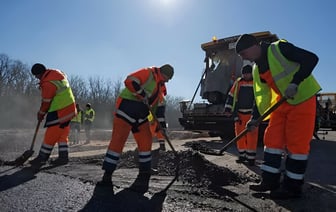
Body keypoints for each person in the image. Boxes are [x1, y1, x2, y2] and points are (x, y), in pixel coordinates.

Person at [235, 34, 321, 199]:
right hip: (281, 104)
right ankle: (269, 181)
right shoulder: (256, 68)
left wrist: (295, 82)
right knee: (272, 141)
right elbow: (262, 96)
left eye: (244, 54)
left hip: (302, 100)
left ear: (254, 46)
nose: (244, 58)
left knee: (296, 146)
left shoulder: (279, 49)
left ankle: (292, 188)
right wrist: (255, 118)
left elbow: (311, 58)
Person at [97, 64, 174, 193]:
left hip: (141, 116)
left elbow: (159, 113)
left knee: (146, 141)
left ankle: (145, 171)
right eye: (168, 78)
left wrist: (162, 127)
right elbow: (129, 81)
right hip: (126, 110)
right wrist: (141, 94)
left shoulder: (160, 91)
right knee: (118, 141)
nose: (168, 81)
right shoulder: (148, 73)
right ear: (163, 74)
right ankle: (107, 175)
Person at [29, 63, 76, 168]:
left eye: (36, 75)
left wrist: (41, 114)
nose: (36, 78)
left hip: (60, 111)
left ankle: (42, 158)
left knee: (51, 134)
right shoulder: (56, 74)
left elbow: (46, 102)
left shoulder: (48, 83)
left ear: (40, 73)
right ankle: (63, 157)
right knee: (62, 135)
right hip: (69, 109)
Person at [224, 65, 258, 166]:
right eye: (244, 73)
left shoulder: (256, 82)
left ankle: (251, 158)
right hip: (239, 115)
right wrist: (228, 109)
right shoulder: (238, 82)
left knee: (252, 137)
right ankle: (242, 156)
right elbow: (231, 96)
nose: (245, 75)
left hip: (252, 115)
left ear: (251, 73)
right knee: (239, 136)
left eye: (247, 73)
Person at [148, 83, 168, 151]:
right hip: (152, 106)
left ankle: (162, 146)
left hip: (157, 103)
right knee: (152, 125)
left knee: (159, 126)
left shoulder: (156, 82)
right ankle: (146, 146)